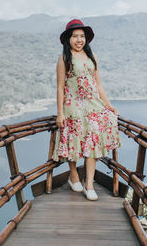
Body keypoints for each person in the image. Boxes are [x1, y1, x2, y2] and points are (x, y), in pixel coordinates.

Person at [52, 19, 121, 201]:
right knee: (73, 142)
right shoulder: (64, 58)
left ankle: (88, 184)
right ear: (68, 39)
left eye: (82, 36)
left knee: (93, 140)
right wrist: (60, 113)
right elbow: (60, 87)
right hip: (72, 106)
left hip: (92, 104)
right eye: (75, 36)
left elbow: (98, 84)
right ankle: (73, 175)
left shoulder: (92, 57)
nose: (79, 40)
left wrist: (108, 105)